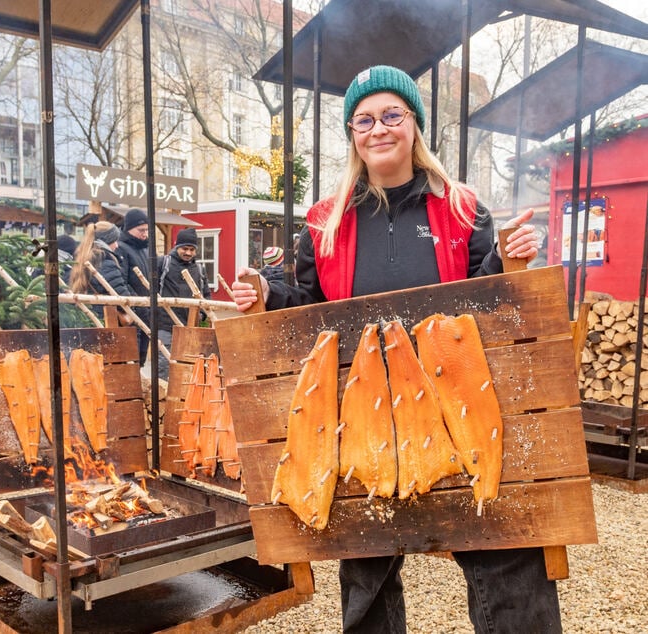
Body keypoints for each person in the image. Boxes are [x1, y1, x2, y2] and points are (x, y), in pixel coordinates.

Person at [231, 65, 557, 633]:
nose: (378, 129)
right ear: (352, 133)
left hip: (456, 402)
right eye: (364, 119)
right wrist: (263, 293)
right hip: (365, 415)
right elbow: (306, 306)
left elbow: (486, 290)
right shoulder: (323, 222)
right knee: (366, 571)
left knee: (508, 552)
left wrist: (508, 259)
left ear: (414, 125)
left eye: (391, 115)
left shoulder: (461, 207)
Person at [156, 227, 210, 379]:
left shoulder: (199, 269)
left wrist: (203, 314)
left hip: (190, 325)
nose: (188, 253)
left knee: (188, 364)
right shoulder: (163, 264)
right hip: (165, 325)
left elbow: (206, 295)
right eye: (185, 248)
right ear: (176, 246)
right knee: (164, 364)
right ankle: (163, 397)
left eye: (192, 249)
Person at [69, 221, 133, 321]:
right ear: (106, 242)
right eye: (114, 241)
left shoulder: (83, 259)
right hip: (103, 319)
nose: (116, 245)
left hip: (87, 318)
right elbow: (122, 297)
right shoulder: (105, 262)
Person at [115, 208, 152, 365]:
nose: (145, 234)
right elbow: (121, 279)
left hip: (146, 310)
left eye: (146, 230)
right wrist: (135, 303)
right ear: (129, 229)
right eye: (141, 230)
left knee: (142, 355)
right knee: (131, 356)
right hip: (133, 309)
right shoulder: (122, 248)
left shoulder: (145, 249)